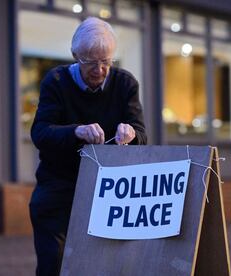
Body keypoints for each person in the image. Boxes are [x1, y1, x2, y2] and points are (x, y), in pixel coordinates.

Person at [29, 17, 147, 276]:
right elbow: (40, 133)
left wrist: (131, 134)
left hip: (106, 188)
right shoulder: (57, 81)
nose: (100, 70)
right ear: (75, 55)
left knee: (106, 262)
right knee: (54, 261)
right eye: (91, 62)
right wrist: (77, 131)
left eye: (106, 61)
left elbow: (141, 134)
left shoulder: (125, 83)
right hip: (59, 184)